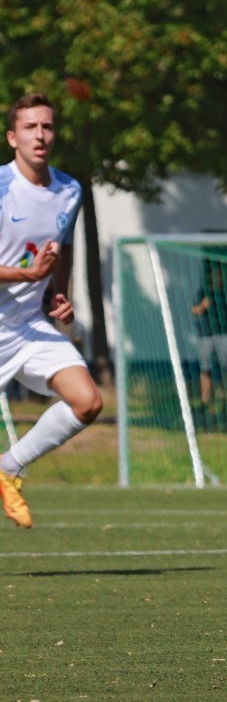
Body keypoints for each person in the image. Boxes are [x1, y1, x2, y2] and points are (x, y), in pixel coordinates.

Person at [0, 93, 104, 529]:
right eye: (30, 127)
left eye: (47, 126)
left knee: (88, 401)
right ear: (12, 137)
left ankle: (9, 468)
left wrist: (57, 294)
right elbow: (34, 265)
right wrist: (28, 277)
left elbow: (59, 252)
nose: (40, 135)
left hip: (29, 327)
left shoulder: (69, 189)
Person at [191, 265, 227, 407]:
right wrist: (203, 306)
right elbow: (194, 311)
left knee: (225, 367)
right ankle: (205, 399)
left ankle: (226, 396)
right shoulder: (203, 292)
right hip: (205, 335)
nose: (217, 278)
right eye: (215, 275)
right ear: (210, 277)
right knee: (205, 368)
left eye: (220, 275)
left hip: (223, 335)